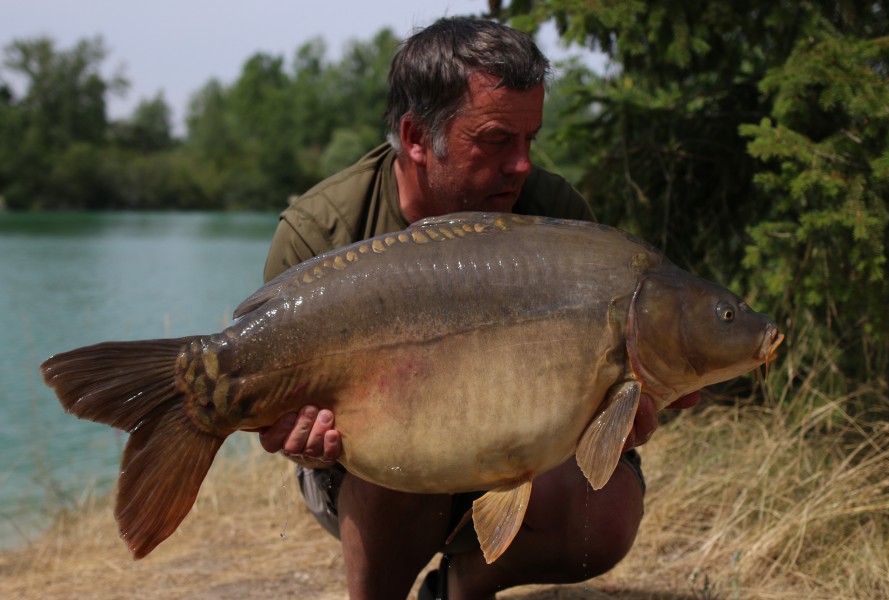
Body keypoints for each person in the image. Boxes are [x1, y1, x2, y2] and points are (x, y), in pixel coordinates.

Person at [257, 17, 699, 600]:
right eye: (495, 140)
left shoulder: (552, 213)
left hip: (521, 452)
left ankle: (464, 585)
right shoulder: (322, 233)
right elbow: (278, 413)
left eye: (529, 140)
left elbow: (603, 391)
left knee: (606, 515)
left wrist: (617, 416)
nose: (520, 165)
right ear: (416, 137)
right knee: (404, 456)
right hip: (375, 469)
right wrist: (289, 426)